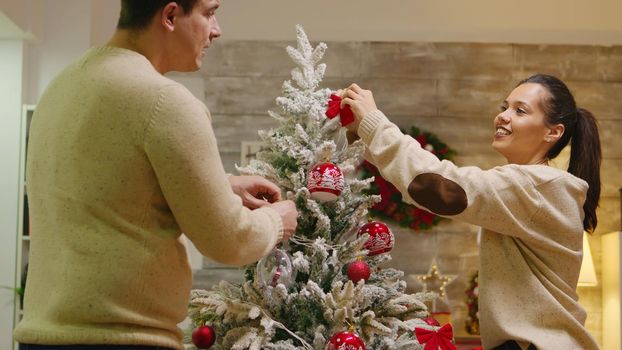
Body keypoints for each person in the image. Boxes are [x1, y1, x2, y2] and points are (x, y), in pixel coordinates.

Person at [13, 1, 298, 349]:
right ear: (170, 15)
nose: (216, 29)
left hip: (39, 337)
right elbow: (228, 239)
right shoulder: (165, 102)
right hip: (123, 339)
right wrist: (276, 221)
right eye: (208, 12)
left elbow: (104, 188)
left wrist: (219, 187)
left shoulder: (61, 87)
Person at [339, 74, 601, 350]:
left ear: (553, 132)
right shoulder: (532, 185)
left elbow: (443, 189)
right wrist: (361, 133)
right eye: (504, 107)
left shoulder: (542, 186)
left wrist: (375, 124)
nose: (503, 116)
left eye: (520, 110)